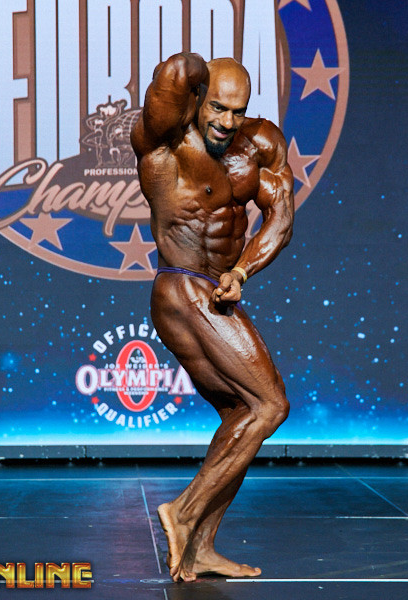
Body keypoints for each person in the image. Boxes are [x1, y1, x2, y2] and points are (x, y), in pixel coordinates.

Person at [131, 52, 294, 582]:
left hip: (218, 292)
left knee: (242, 416)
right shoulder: (164, 143)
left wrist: (242, 270)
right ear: (199, 102)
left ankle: (199, 548)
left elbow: (281, 219)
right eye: (218, 108)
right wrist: (197, 75)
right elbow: (176, 73)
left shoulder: (260, 144)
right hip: (181, 287)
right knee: (271, 405)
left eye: (237, 111)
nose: (227, 121)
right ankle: (182, 512)